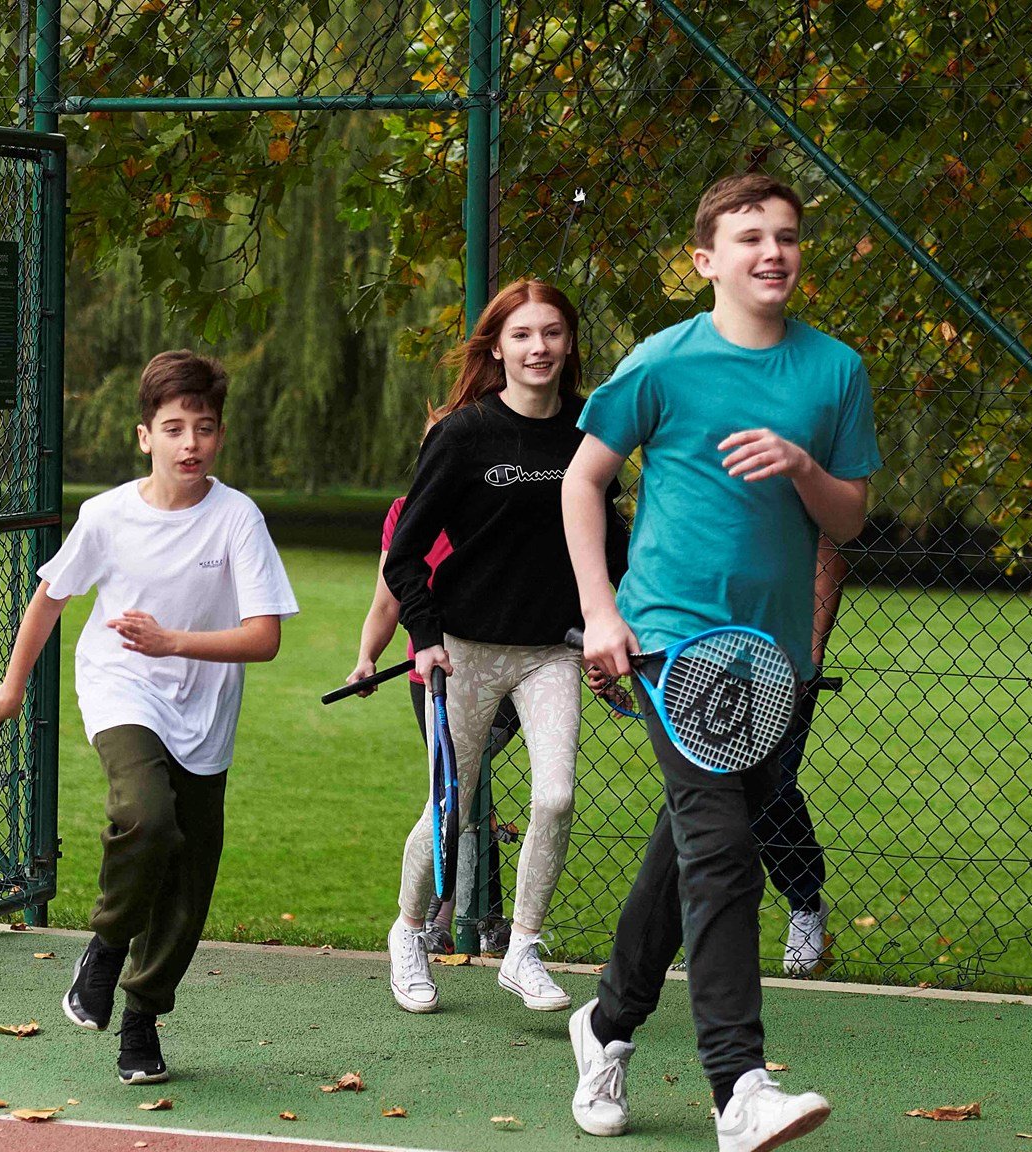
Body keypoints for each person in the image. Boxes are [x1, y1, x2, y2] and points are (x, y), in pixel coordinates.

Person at [562, 173, 879, 1151]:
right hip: (671, 641)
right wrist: (601, 613)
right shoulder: (664, 363)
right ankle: (738, 1087)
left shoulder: (834, 371)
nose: (772, 252)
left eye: (786, 235)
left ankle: (606, 1022)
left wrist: (802, 466)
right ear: (705, 260)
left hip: (766, 658)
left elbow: (848, 518)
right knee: (723, 851)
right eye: (749, 238)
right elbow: (581, 480)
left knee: (690, 843)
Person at [0, 351, 298, 1086]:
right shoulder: (107, 516)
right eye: (174, 428)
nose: (191, 443)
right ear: (145, 436)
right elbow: (51, 599)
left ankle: (141, 1018)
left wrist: (174, 642)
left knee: (188, 886)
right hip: (121, 687)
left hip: (206, 710)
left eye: (205, 428)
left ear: (220, 435)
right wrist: (12, 685)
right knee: (146, 815)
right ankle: (105, 946)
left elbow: (264, 638)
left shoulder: (238, 518)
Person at [382, 278, 624, 1016]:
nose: (538, 347)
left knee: (556, 796)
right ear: (496, 348)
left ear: (570, 343)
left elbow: (610, 544)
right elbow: (404, 556)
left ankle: (522, 950)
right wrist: (425, 639)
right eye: (521, 335)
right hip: (464, 651)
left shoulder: (590, 430)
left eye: (551, 332)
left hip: (552, 651)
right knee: (450, 808)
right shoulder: (464, 434)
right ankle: (408, 932)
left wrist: (611, 626)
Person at [347, 494, 523, 956]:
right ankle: (486, 918)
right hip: (431, 677)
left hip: (503, 670)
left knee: (460, 779)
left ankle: (444, 918)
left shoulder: (496, 497)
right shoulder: (404, 511)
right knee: (460, 784)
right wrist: (367, 658)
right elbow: (387, 601)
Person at [761, 538, 847, 978]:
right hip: (707, 649)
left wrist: (812, 650)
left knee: (773, 789)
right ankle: (714, 932)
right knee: (706, 797)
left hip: (784, 658)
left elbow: (829, 547)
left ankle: (806, 902)